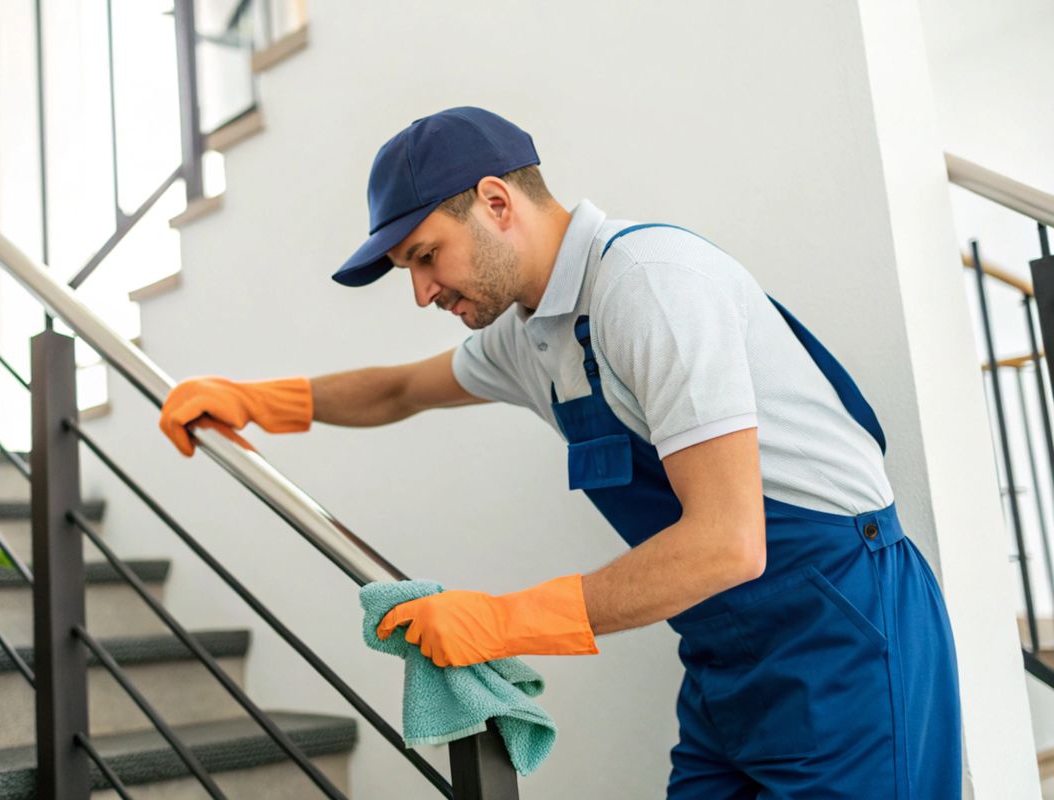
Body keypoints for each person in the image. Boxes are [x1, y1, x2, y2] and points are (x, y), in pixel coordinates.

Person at [158, 106, 961, 798]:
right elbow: (401, 390)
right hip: (727, 656)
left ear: (497, 202)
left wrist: (501, 621)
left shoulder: (647, 285)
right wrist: (257, 401)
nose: (421, 292)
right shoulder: (531, 332)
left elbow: (727, 542)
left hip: (844, 626)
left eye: (426, 256)